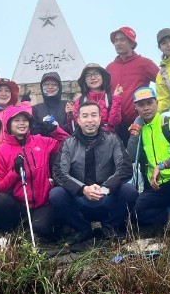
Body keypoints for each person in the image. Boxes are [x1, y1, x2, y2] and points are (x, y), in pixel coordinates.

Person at [50, 101, 137, 243]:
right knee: (56, 194)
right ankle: (82, 229)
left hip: (107, 196)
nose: (90, 120)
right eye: (85, 116)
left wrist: (106, 188)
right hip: (80, 199)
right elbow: (59, 172)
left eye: (94, 115)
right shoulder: (68, 143)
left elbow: (125, 167)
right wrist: (83, 189)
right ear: (78, 120)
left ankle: (111, 226)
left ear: (100, 118)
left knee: (129, 190)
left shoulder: (113, 139)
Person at [0, 103, 69, 237]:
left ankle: (36, 227)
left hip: (42, 204)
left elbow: (68, 143)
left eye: (25, 120)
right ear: (8, 124)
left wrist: (55, 130)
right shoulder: (2, 151)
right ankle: (7, 233)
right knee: (0, 200)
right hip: (20, 205)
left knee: (41, 230)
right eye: (17, 120)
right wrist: (15, 172)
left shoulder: (41, 141)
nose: (22, 123)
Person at [125, 88, 170, 231]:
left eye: (149, 103)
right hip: (157, 186)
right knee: (136, 214)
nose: (146, 108)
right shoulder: (139, 128)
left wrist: (162, 165)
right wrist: (135, 131)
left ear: (157, 103)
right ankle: (169, 214)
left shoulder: (169, 123)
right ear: (135, 107)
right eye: (141, 105)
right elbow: (130, 157)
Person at [106, 26, 160, 145]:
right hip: (116, 125)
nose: (117, 43)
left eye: (122, 40)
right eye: (115, 40)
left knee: (142, 154)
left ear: (131, 43)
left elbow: (164, 83)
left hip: (140, 120)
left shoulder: (145, 63)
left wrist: (157, 106)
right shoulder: (109, 68)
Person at [71, 64, 123, 134]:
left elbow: (114, 122)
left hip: (108, 138)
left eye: (96, 74)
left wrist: (116, 98)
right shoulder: (80, 101)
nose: (93, 78)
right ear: (84, 80)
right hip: (87, 138)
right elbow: (76, 124)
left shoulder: (110, 98)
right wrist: (70, 115)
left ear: (102, 76)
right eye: (88, 75)